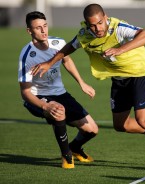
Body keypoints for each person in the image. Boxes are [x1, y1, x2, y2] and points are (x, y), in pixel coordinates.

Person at [31, 4, 145, 157]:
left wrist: (120, 49)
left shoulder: (118, 28)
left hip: (140, 73)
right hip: (119, 78)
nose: (97, 28)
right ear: (87, 25)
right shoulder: (85, 34)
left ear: (105, 17)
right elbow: (70, 47)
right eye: (92, 26)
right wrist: (49, 63)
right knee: (121, 125)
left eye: (100, 23)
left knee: (143, 120)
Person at [18, 11, 99, 169]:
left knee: (92, 130)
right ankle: (66, 156)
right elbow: (25, 92)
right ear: (29, 31)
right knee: (58, 110)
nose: (43, 30)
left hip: (60, 94)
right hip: (37, 97)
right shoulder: (27, 56)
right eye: (38, 28)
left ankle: (75, 148)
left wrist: (82, 83)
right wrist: (45, 106)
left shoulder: (58, 43)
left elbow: (67, 61)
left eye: (45, 26)